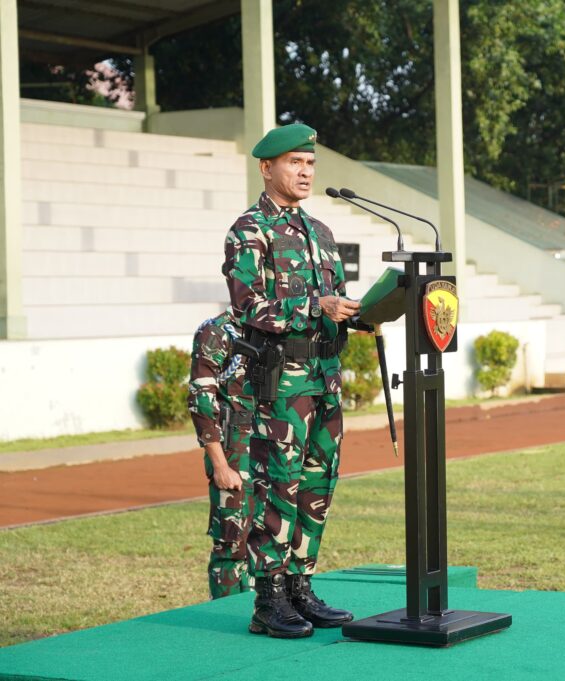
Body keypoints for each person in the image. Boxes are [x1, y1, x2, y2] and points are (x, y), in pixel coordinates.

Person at [223, 123, 361, 638]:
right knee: (279, 485)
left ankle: (301, 587)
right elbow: (249, 307)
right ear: (267, 167)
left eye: (310, 164)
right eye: (294, 164)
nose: (305, 172)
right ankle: (268, 599)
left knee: (318, 485)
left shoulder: (321, 233)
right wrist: (314, 306)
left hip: (324, 378)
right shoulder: (249, 229)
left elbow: (336, 299)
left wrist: (362, 311)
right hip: (281, 382)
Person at [187, 310, 255, 599]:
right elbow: (201, 399)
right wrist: (220, 464)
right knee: (231, 542)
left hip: (269, 451)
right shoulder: (217, 331)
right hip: (234, 449)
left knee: (263, 541)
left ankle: (259, 609)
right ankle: (226, 612)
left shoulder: (274, 327)